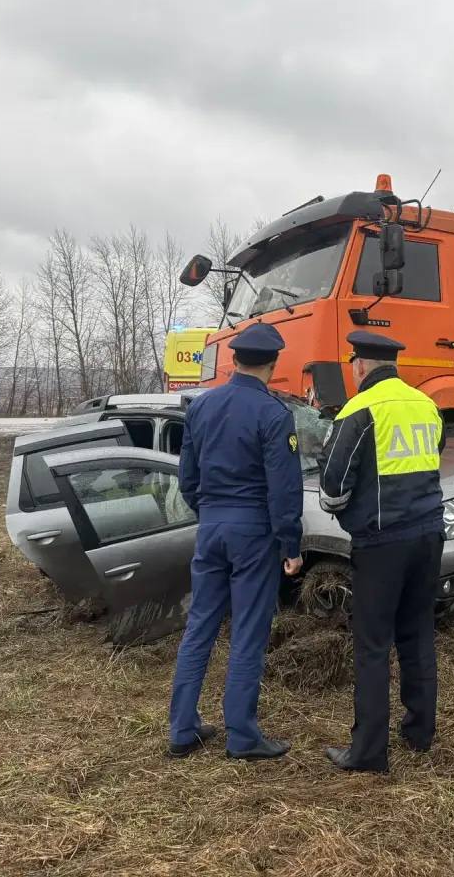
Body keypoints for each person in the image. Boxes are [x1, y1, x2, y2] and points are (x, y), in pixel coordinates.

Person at [167, 322, 304, 761]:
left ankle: (182, 729)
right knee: (247, 631)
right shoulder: (273, 414)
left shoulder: (202, 407)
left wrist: (208, 511)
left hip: (211, 526)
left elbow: (187, 477)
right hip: (253, 531)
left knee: (200, 626)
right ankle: (241, 735)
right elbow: (284, 491)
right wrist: (291, 544)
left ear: (234, 360)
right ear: (273, 363)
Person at [318, 330, 445, 773]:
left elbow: (333, 485)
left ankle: (369, 752)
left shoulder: (359, 410)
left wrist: (338, 510)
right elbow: (436, 454)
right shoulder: (425, 404)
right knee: (418, 633)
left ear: (359, 367)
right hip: (429, 534)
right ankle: (420, 732)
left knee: (373, 646)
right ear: (393, 365)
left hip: (381, 541)